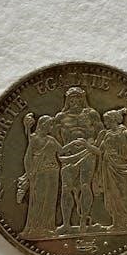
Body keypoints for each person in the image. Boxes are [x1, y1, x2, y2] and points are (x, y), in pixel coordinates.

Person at [52, 87, 103, 234]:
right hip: (68, 156)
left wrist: (91, 146)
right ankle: (66, 224)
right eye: (72, 100)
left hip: (87, 153)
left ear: (82, 100)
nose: (75, 102)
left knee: (85, 185)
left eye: (78, 99)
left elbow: (101, 133)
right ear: (67, 101)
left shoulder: (91, 114)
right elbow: (55, 137)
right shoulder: (61, 117)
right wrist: (63, 150)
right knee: (66, 188)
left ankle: (83, 221)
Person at [91, 108, 127, 232]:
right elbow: (99, 151)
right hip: (109, 167)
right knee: (112, 195)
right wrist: (86, 146)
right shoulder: (106, 135)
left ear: (113, 120)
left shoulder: (124, 133)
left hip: (122, 168)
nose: (105, 123)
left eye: (106, 120)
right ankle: (118, 223)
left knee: (126, 195)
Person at [19, 115, 61, 240]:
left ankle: (48, 228)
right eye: (49, 125)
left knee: (50, 200)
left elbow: (62, 151)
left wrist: (80, 146)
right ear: (43, 125)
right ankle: (34, 228)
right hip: (40, 173)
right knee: (38, 199)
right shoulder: (34, 139)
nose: (51, 127)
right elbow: (27, 157)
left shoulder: (51, 139)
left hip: (53, 172)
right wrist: (30, 173)